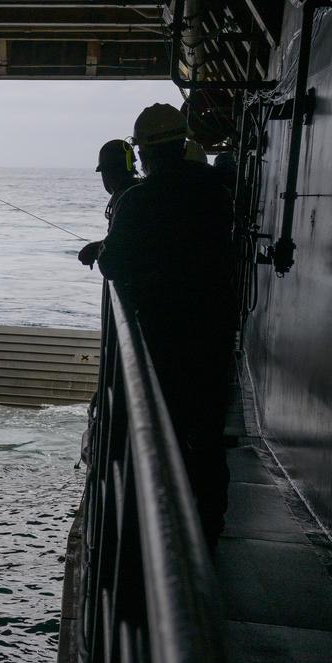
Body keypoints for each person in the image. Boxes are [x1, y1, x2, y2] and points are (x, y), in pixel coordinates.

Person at [96, 102, 237, 544]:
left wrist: (105, 251)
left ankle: (163, 529)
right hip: (214, 331)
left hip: (164, 336)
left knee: (163, 431)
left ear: (145, 154)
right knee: (208, 433)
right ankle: (210, 526)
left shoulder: (140, 200)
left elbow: (114, 265)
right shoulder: (217, 190)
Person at [78, 140, 140, 269]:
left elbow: (118, 254)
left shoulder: (129, 199)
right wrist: (99, 247)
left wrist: (96, 250)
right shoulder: (138, 192)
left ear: (108, 172)